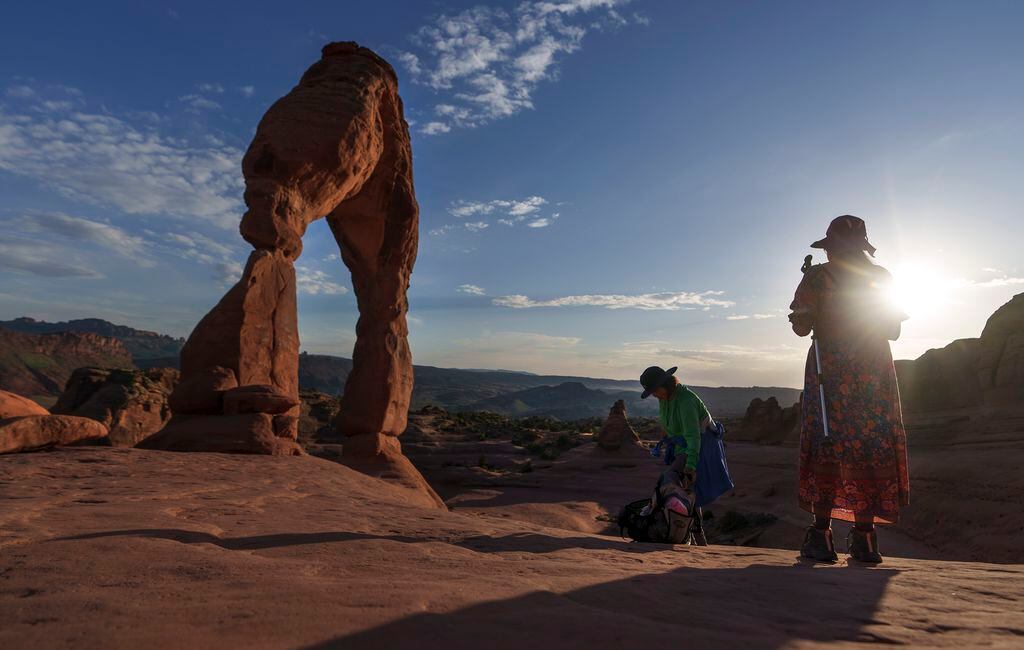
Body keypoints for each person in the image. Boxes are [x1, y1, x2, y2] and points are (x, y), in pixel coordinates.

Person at [788, 215, 910, 564]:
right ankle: (864, 540)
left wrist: (806, 311)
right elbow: (893, 330)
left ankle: (821, 536)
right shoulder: (881, 278)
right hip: (873, 374)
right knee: (870, 446)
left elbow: (800, 327)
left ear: (831, 247)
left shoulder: (818, 276)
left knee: (828, 441)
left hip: (833, 373)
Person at [640, 365, 732, 545]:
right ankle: (695, 536)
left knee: (671, 481)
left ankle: (683, 532)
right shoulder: (666, 398)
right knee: (688, 491)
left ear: (665, 384)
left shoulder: (685, 401)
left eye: (654, 391)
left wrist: (690, 465)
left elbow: (693, 437)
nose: (654, 395)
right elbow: (670, 425)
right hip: (685, 447)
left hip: (701, 447)